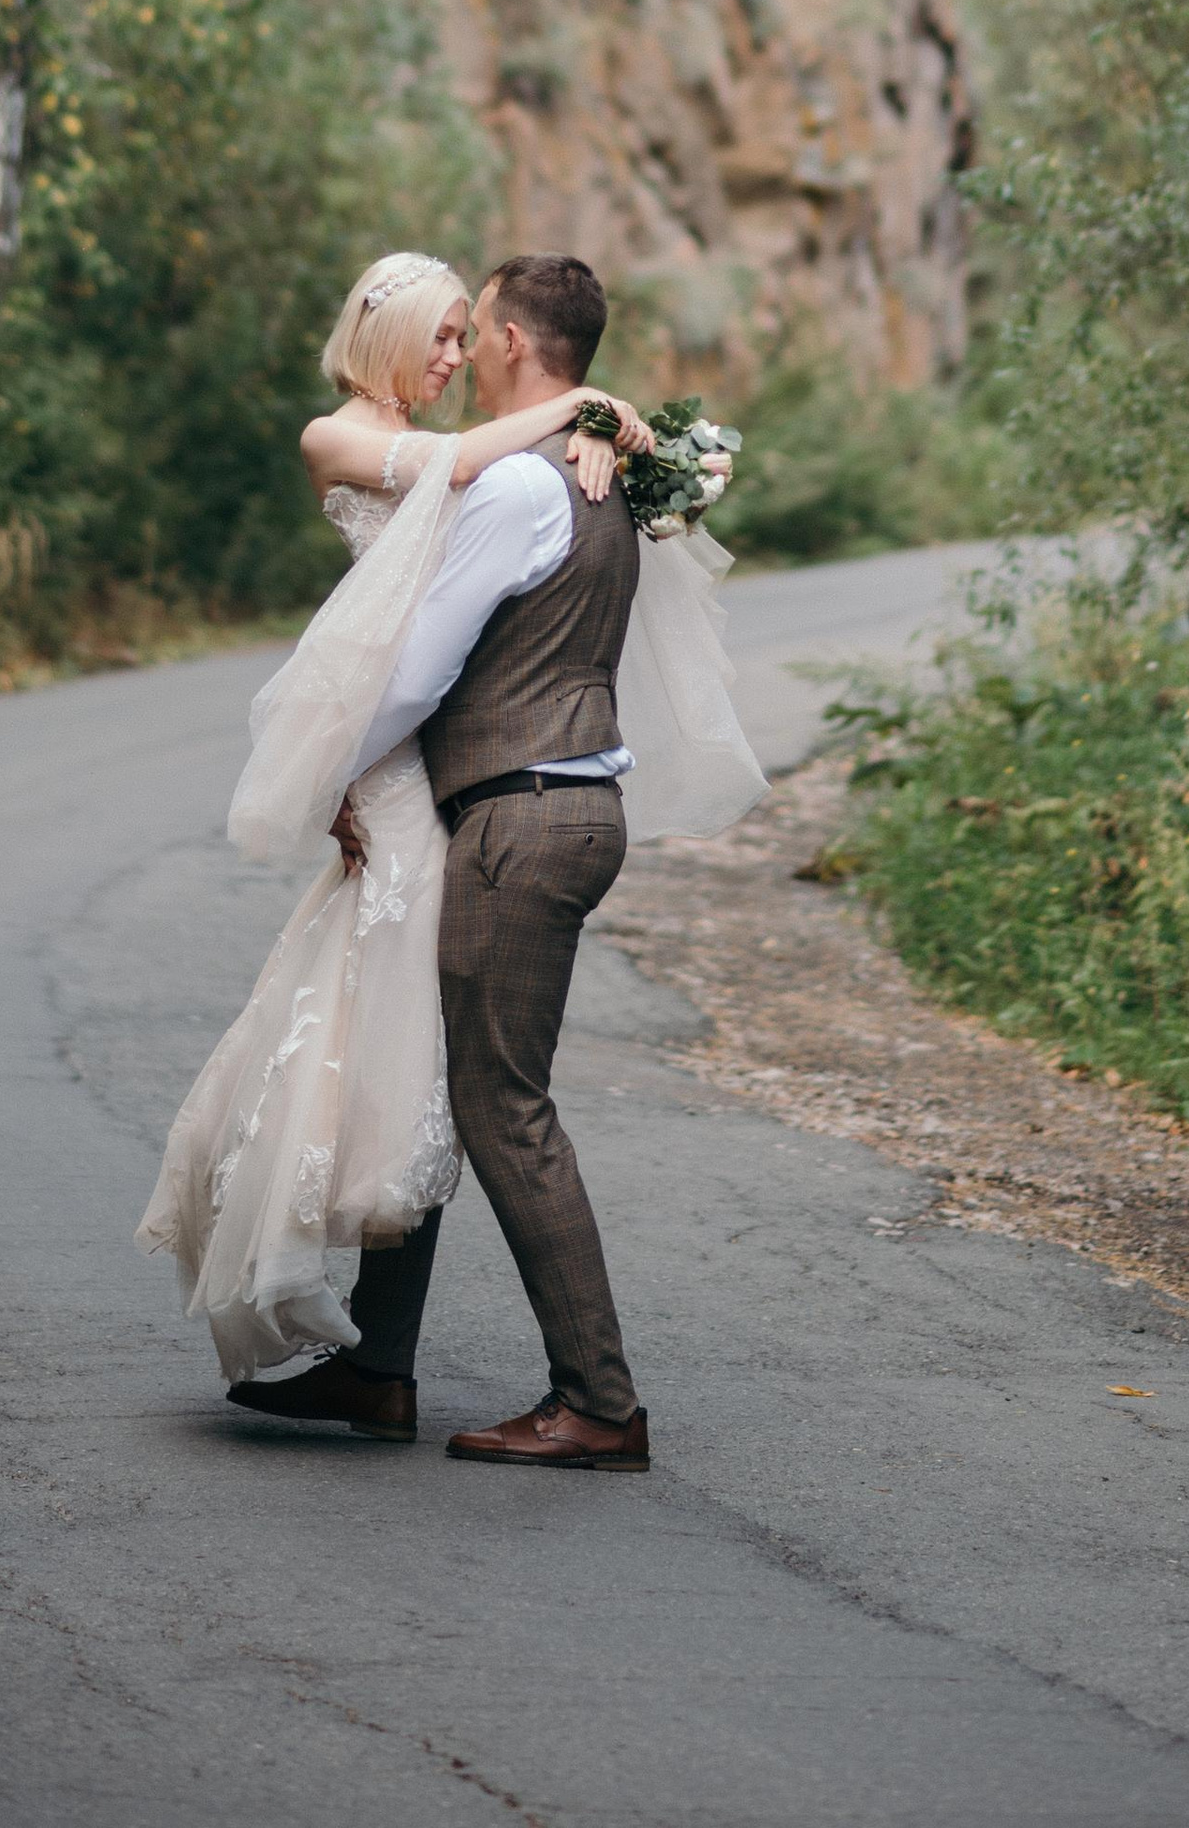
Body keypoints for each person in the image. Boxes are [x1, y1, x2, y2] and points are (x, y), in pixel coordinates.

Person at [139, 246, 766, 1473]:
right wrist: (598, 418)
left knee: (499, 1108)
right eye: (440, 332)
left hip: (518, 811)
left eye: (470, 330)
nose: (461, 350)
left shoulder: (528, 484)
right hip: (543, 802)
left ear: (513, 343)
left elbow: (419, 666)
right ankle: (378, 1367)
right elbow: (539, 489)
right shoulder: (575, 470)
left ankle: (598, 1401)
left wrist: (329, 770)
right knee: (426, 1077)